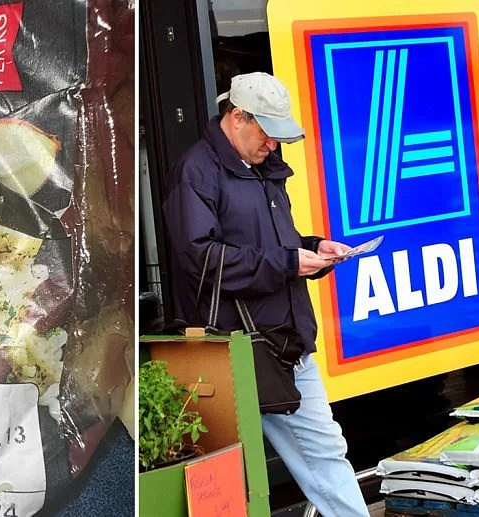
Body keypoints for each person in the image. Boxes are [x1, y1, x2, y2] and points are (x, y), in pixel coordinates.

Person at [162, 71, 369, 516]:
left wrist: (313, 248)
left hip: (278, 341)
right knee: (237, 476)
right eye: (267, 132)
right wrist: (288, 262)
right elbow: (202, 260)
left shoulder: (260, 168)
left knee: (316, 455)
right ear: (237, 117)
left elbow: (268, 246)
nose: (273, 145)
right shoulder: (196, 171)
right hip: (236, 349)